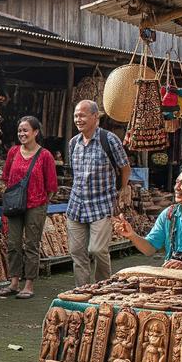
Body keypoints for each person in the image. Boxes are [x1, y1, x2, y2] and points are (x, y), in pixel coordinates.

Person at [66, 100, 131, 286]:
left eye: (83, 115)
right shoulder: (73, 143)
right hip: (76, 205)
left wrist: (122, 190)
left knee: (97, 250)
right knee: (77, 253)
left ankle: (103, 289)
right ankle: (83, 291)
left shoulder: (109, 140)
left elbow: (125, 168)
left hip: (101, 204)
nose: (78, 119)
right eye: (76, 115)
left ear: (95, 117)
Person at [0, 116, 58, 299]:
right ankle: (14, 282)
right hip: (15, 204)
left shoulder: (45, 155)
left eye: (25, 130)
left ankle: (29, 284)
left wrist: (42, 204)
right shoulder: (13, 152)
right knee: (13, 243)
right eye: (20, 131)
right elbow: (6, 177)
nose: (22, 134)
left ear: (36, 132)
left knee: (32, 244)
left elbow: (52, 186)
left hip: (36, 205)